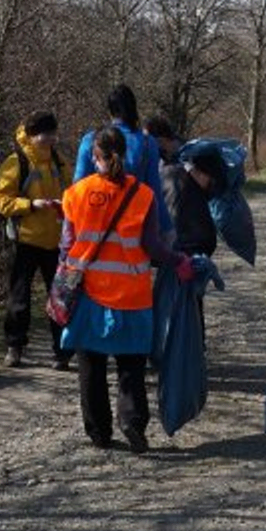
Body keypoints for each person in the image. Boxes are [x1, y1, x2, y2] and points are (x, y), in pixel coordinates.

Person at [58, 124, 189, 451]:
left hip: (88, 293)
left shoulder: (75, 193)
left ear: (94, 157)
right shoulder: (143, 195)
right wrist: (178, 260)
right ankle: (132, 422)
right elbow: (153, 247)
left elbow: (66, 246)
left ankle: (99, 432)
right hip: (132, 294)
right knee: (131, 366)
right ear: (125, 155)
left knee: (91, 367)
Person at [0, 110, 71, 369]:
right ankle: (14, 347)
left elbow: (73, 189)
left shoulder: (58, 160)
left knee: (59, 299)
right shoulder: (17, 161)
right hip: (25, 241)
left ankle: (62, 352)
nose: (51, 139)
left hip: (55, 241)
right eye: (46, 134)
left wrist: (66, 205)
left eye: (53, 133)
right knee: (19, 298)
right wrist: (30, 205)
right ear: (33, 134)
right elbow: (0, 200)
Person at [145, 117, 219, 258]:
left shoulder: (193, 153)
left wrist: (189, 167)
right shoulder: (159, 160)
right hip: (173, 238)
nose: (147, 146)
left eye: (149, 142)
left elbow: (207, 184)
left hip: (197, 237)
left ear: (160, 140)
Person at [73, 84, 163, 195]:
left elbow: (78, 187)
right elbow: (154, 190)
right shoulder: (148, 143)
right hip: (136, 205)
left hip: (97, 203)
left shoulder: (90, 140)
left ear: (110, 110)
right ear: (134, 109)